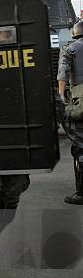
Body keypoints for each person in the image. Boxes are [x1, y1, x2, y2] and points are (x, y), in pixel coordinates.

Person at [58, 20, 83, 205]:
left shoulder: (70, 49)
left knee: (80, 147)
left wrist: (61, 97)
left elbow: (63, 74)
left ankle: (81, 193)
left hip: (80, 101)